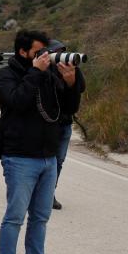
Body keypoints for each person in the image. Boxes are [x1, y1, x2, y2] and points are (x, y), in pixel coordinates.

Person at [0, 30, 81, 254]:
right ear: (23, 52)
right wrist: (35, 73)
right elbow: (17, 102)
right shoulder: (6, 75)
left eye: (47, 51)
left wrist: (71, 82)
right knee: (14, 218)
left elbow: (67, 109)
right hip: (19, 157)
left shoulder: (49, 73)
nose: (46, 55)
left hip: (48, 157)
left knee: (41, 218)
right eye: (39, 51)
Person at [47, 39, 86, 210]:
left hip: (65, 123)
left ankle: (49, 193)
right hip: (50, 124)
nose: (61, 56)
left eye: (63, 51)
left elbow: (82, 87)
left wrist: (72, 77)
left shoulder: (71, 68)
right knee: (47, 160)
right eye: (57, 52)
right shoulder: (45, 70)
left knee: (59, 161)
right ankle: (42, 192)